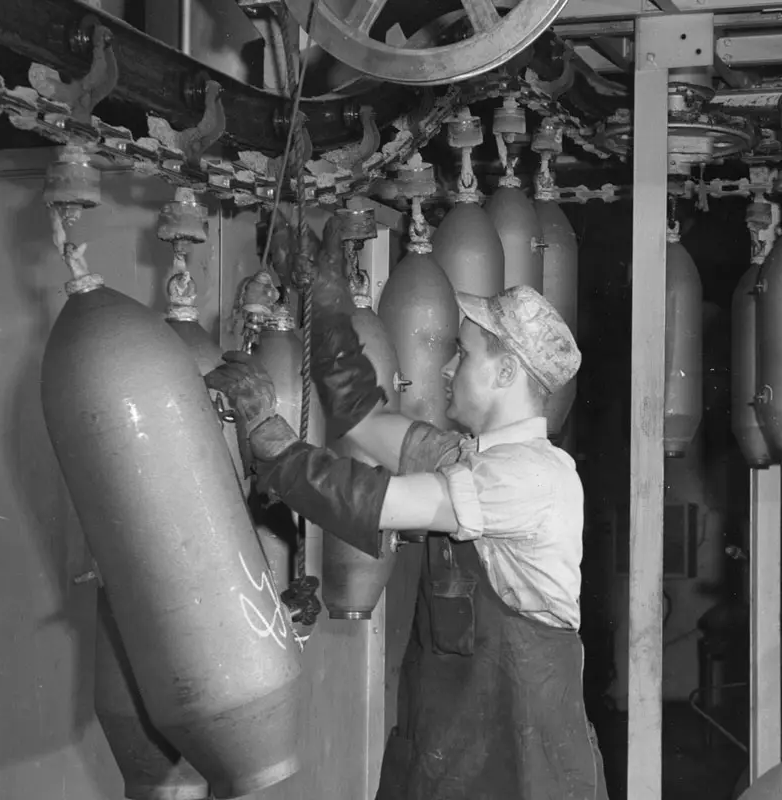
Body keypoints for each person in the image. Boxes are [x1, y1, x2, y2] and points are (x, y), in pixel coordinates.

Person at [205, 262, 608, 800]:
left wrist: (266, 432)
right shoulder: (470, 460)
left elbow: (377, 503)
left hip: (519, 767)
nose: (444, 370)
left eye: (462, 354)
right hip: (457, 753)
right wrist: (324, 297)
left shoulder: (529, 478)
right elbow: (362, 422)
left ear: (507, 372)